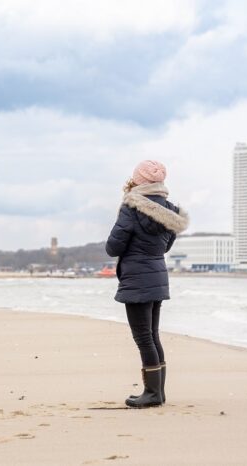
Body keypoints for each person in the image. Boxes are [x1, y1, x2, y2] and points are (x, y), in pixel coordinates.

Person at [105, 160, 189, 408]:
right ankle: (158, 392)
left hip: (138, 278)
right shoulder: (171, 211)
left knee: (143, 337)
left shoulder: (131, 207)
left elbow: (113, 247)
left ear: (138, 181)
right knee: (152, 335)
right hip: (157, 275)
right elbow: (165, 246)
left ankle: (152, 393)